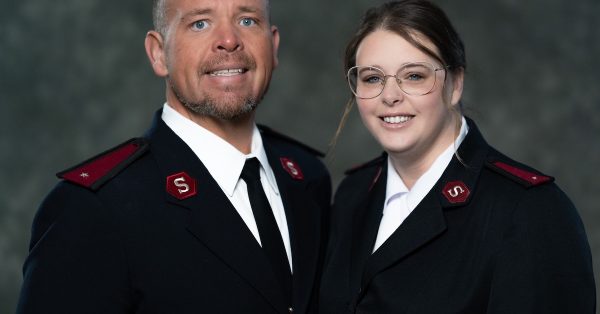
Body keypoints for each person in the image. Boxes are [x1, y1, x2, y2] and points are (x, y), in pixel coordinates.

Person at [16, 0, 331, 313]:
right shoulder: (93, 209)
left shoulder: (307, 175)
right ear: (158, 53)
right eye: (200, 23)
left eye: (247, 20)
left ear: (273, 45)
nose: (229, 40)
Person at [319, 1, 596, 313]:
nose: (390, 95)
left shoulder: (529, 210)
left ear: (455, 85)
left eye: (413, 76)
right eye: (372, 78)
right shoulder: (353, 194)